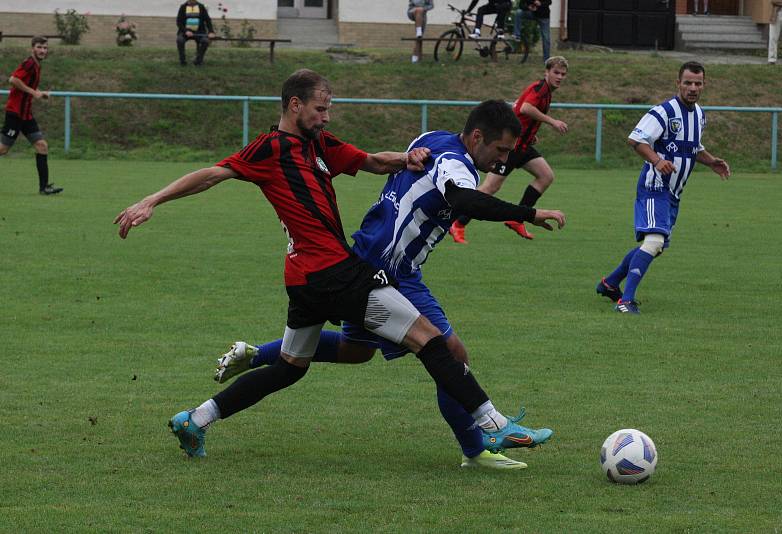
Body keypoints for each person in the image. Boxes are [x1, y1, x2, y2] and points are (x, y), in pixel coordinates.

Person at [114, 69, 554, 459]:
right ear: (294, 105)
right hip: (337, 274)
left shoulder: (319, 144)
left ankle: (196, 418)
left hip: (303, 279)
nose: (326, 117)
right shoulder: (270, 148)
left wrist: (408, 159)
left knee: (290, 368)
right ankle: (493, 426)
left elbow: (370, 161)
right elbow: (211, 174)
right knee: (432, 342)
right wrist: (152, 200)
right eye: (321, 109)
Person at [213, 100, 566, 470]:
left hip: (371, 251)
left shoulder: (434, 138)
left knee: (355, 349)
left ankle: (256, 354)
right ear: (477, 137)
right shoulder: (455, 163)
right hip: (389, 268)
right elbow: (464, 199)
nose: (502, 162)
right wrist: (530, 212)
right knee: (451, 352)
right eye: (501, 151)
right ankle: (477, 447)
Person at [596, 61, 730, 314]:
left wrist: (711, 161)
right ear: (677, 83)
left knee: (654, 247)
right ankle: (626, 301)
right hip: (654, 186)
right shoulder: (664, 112)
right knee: (654, 241)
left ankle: (610, 283)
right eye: (687, 82)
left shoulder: (700, 114)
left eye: (697, 83)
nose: (692, 87)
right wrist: (657, 161)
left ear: (704, 85)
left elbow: (692, 147)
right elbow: (635, 139)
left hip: (674, 193)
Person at [450, 56, 568, 244]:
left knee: (546, 176)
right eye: (556, 72)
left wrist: (530, 134)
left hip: (524, 145)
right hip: (511, 148)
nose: (560, 77)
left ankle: (516, 219)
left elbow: (521, 112)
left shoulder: (546, 92)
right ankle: (458, 223)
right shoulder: (540, 88)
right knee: (490, 187)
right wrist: (552, 121)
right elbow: (525, 107)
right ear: (546, 72)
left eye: (563, 74)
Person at [0, 36, 61, 195]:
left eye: (45, 48)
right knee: (2, 149)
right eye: (39, 47)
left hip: (26, 115)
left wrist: (40, 93)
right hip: (15, 113)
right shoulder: (29, 63)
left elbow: (26, 86)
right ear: (32, 48)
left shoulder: (36, 66)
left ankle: (44, 187)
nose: (42, 51)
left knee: (42, 146)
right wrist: (34, 92)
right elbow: (13, 79)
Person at [176, 0, 216, 66]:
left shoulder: (201, 6)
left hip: (200, 31)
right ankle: (182, 61)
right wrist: (186, 31)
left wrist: (211, 31)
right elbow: (179, 22)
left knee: (205, 41)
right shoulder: (183, 7)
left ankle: (198, 61)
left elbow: (208, 20)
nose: (193, 1)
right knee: (180, 40)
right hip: (185, 32)